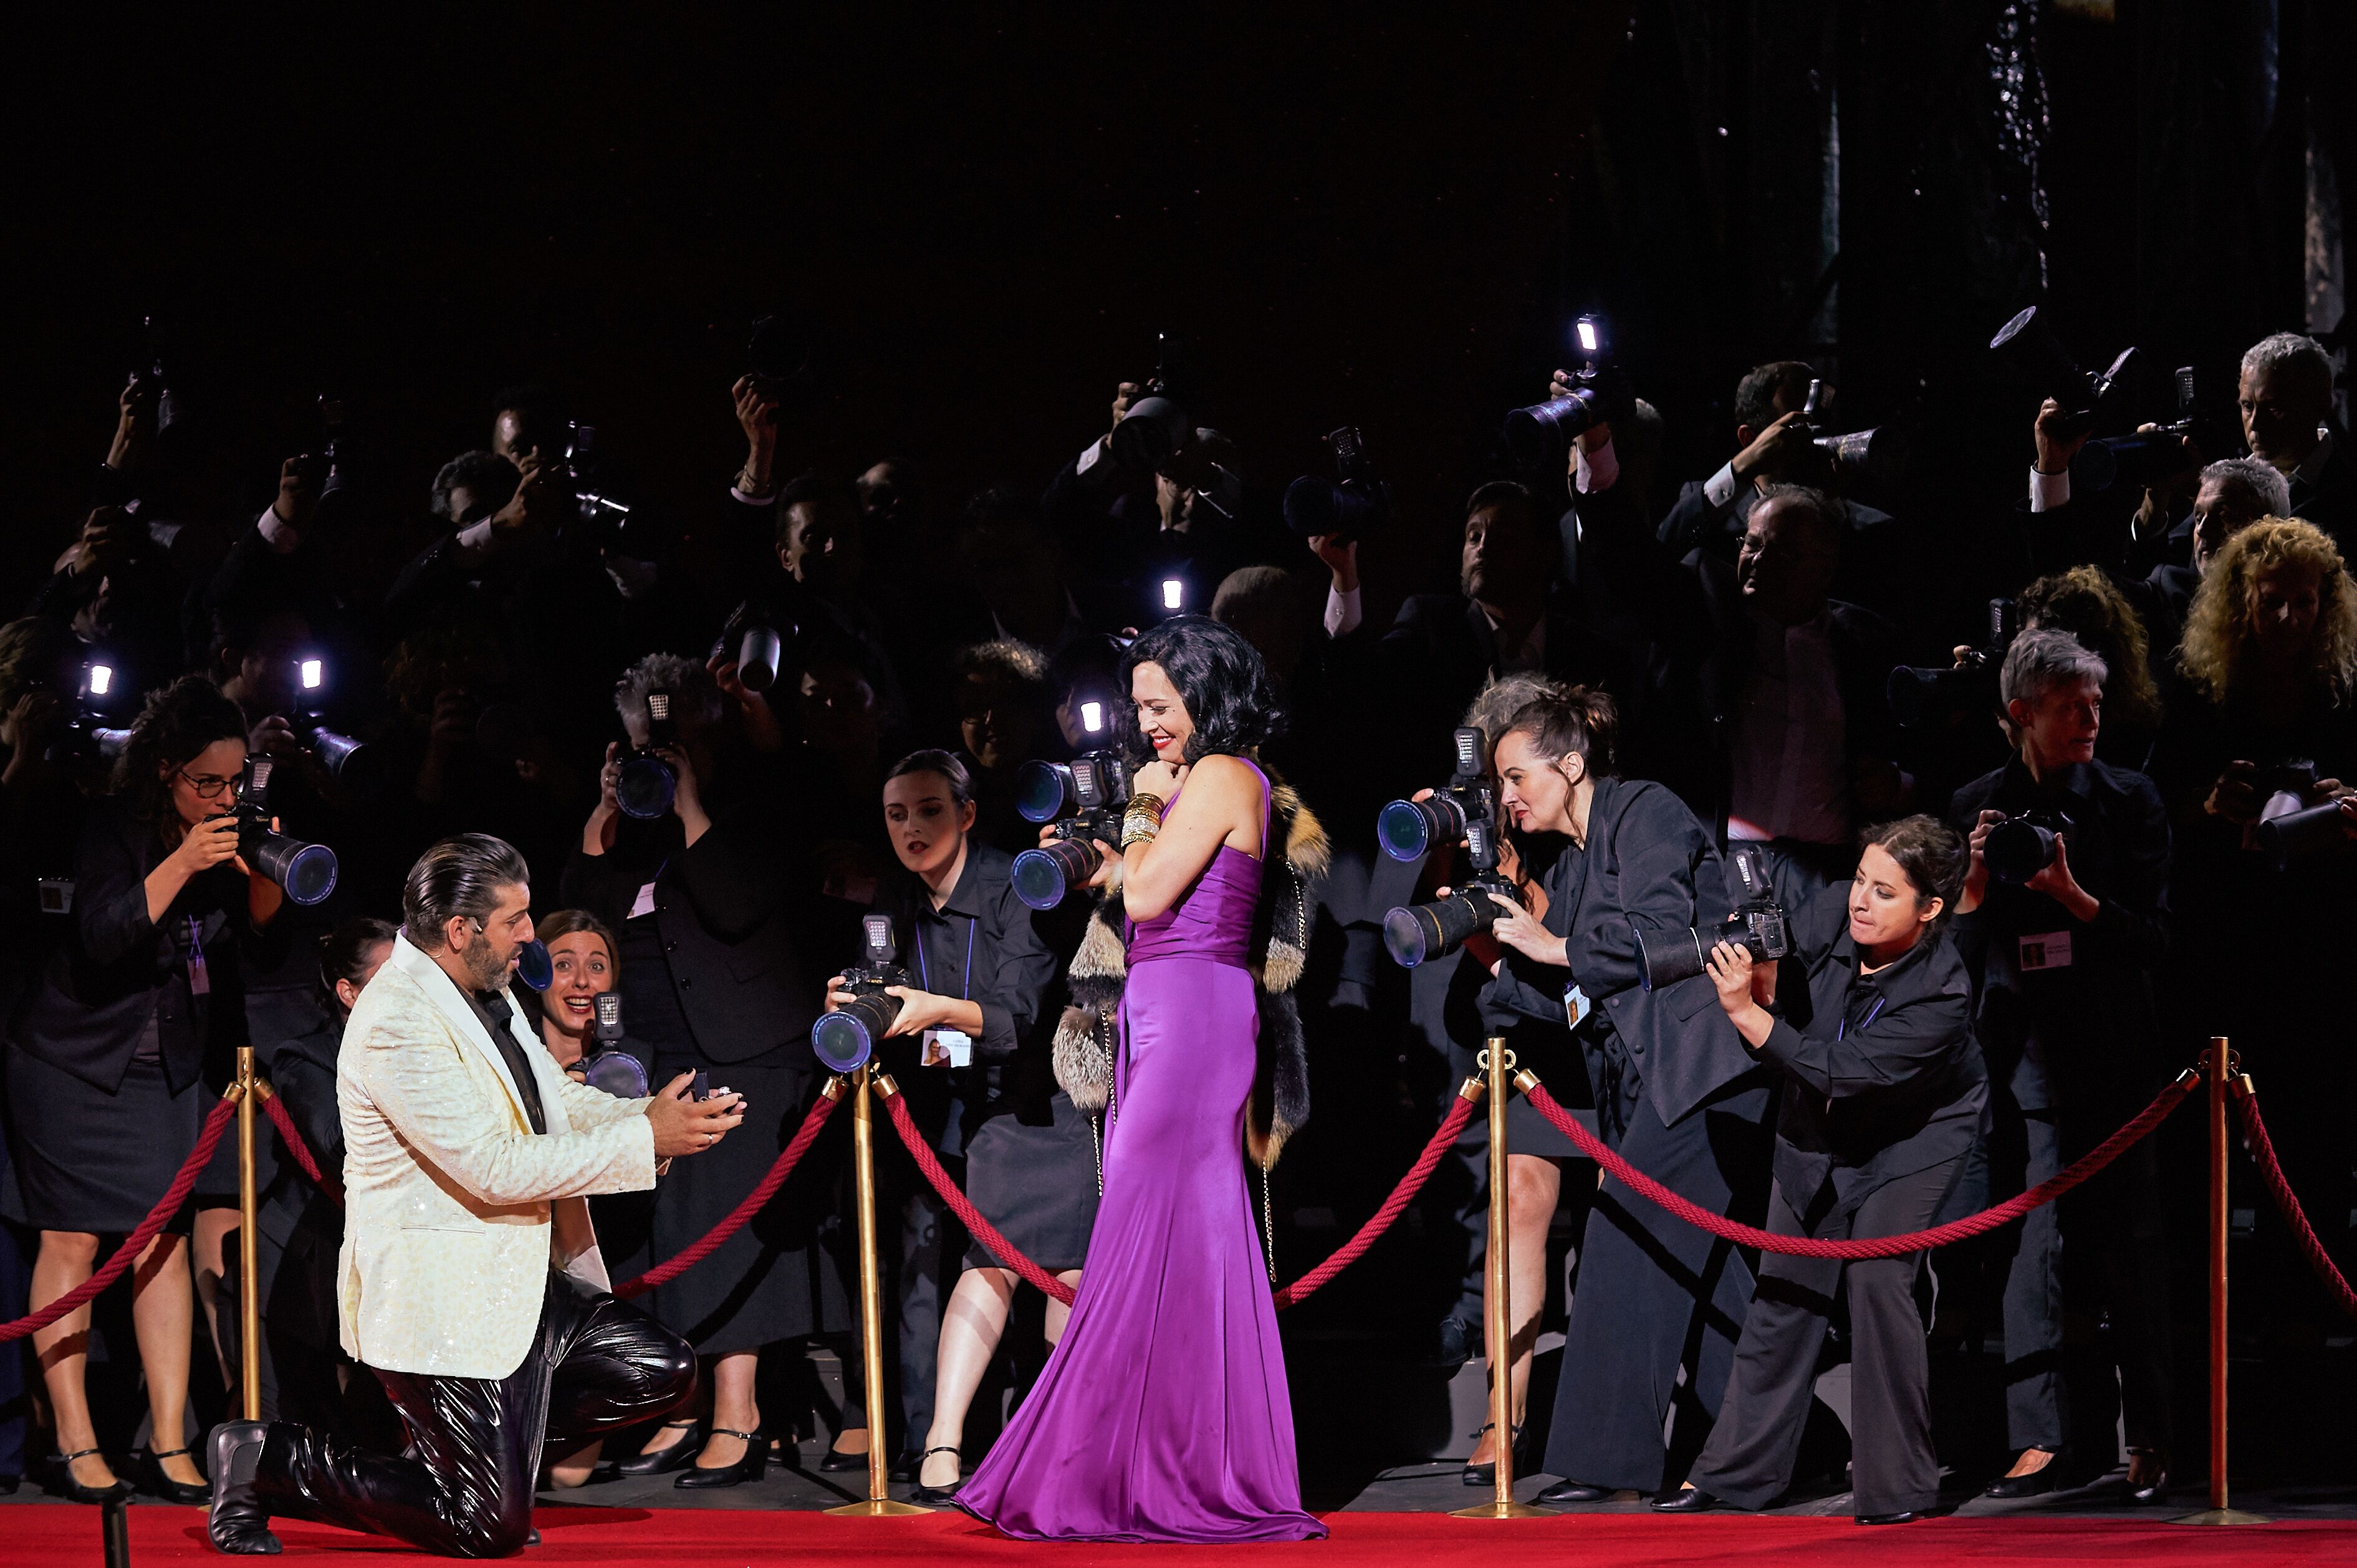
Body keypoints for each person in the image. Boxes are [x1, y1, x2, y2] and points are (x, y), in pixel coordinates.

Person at [206, 833, 744, 1557]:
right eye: (514, 919)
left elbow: (552, 1098)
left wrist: (646, 1118)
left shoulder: (484, 993)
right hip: (441, 1297)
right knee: (487, 1528)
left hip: (515, 1277)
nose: (529, 935)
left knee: (655, 1369)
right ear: (461, 930)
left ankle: (461, 1465)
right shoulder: (396, 1019)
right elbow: (491, 1166)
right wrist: (646, 1139)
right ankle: (267, 1457)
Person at [956, 615, 1327, 1542]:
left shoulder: (1224, 773)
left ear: (1208, 693)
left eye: (1162, 704)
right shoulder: (1203, 778)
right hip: (1161, 1010)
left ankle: (1122, 1464)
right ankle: (1156, 1457)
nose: (1148, 723)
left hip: (1195, 1013)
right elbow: (1142, 884)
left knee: (1148, 1234)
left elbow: (1154, 893)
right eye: (1140, 707)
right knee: (1170, 1240)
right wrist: (1100, 862)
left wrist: (1141, 811)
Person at [1462, 687, 1774, 1503]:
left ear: (1570, 764)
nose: (1508, 796)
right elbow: (1562, 994)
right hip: (1655, 1080)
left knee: (1624, 1240)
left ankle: (1607, 1462)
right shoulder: (1567, 863)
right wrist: (1481, 941)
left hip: (1706, 1068)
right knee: (1708, 1272)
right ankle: (1762, 1453)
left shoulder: (1645, 809)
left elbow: (1661, 933)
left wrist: (1555, 945)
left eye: (1517, 776)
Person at [560, 654, 854, 1486]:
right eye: (643, 743)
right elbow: (579, 921)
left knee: (730, 1228)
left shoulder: (756, 805)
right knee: (669, 1233)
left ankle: (739, 1414)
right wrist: (604, 815)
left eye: (674, 741)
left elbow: (734, 904)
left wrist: (690, 805)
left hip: (749, 1047)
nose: (657, 756)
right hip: (651, 1047)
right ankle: (683, 1406)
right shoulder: (631, 823)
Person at [6, 674, 290, 1506]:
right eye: (208, 781)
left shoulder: (228, 832)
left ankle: (168, 1440)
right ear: (166, 769)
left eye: (236, 780)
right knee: (72, 1239)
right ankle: (75, 1440)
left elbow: (260, 950)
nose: (225, 796)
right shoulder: (111, 828)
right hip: (72, 1063)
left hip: (166, 1069)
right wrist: (183, 862)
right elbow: (103, 936)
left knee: (160, 1239)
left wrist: (262, 875)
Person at [1666, 816, 1981, 1525]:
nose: (1860, 900)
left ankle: (1897, 1486)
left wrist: (1746, 1014)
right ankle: (1735, 1474)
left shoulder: (1942, 993)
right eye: (1861, 879)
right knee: (1785, 1285)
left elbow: (1840, 1068)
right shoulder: (1835, 909)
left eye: (1884, 891)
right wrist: (1759, 971)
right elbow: (1777, 962)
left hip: (1911, 1142)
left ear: (1929, 908)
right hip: (1816, 1121)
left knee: (1877, 1282)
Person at [1946, 631, 2174, 1502]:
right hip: (2015, 1059)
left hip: (2116, 1059)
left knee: (2129, 1257)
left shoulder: (2128, 798)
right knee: (2038, 1254)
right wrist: (1972, 886)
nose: (2090, 719)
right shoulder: (1979, 806)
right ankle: (2061, 1441)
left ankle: (2153, 1438)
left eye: (2096, 703)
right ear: (2021, 713)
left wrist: (2072, 897)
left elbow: (2156, 939)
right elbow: (1956, 953)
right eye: (2070, 706)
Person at [821, 750, 1079, 1503]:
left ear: (966, 813)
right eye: (896, 814)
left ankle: (1058, 1442)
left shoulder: (1014, 883)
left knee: (1063, 1273)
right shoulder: (897, 899)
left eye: (929, 810)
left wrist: (930, 1011)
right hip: (959, 1106)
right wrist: (859, 1006)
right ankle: (936, 1442)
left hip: (1046, 1106)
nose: (912, 828)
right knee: (967, 1264)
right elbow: (905, 1009)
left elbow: (1015, 1018)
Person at [216, 919, 398, 1443]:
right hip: (298, 1274)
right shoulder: (307, 1056)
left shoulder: (436, 1052)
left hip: (385, 1271)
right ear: (348, 992)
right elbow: (341, 1147)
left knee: (375, 1443)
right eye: (391, 977)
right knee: (292, 1442)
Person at [529, 907, 661, 1487]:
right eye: (564, 965)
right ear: (535, 974)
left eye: (597, 966)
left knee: (569, 1475)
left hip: (603, 1254)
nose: (582, 981)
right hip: (512, 1249)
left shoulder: (635, 1062)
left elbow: (646, 1179)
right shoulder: (507, 1055)